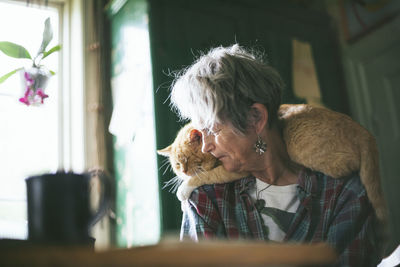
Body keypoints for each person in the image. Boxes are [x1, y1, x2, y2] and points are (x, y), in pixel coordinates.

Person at [169, 44, 382, 266]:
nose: (205, 147)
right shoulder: (206, 198)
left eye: (212, 129)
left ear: (255, 118)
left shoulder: (342, 192)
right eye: (200, 132)